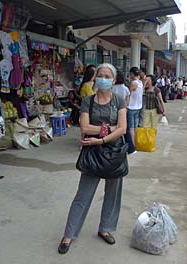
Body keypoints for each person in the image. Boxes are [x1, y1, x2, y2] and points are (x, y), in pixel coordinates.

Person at [58, 63, 127, 254]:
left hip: (114, 152)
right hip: (92, 152)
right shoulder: (88, 100)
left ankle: (106, 229)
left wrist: (101, 138)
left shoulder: (119, 100)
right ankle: (69, 234)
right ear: (95, 78)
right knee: (83, 194)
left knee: (113, 194)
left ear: (113, 80)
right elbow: (84, 127)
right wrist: (109, 129)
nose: (103, 78)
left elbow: (123, 128)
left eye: (107, 76)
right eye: (100, 75)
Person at [127, 67, 143, 146]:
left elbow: (128, 93)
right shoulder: (140, 82)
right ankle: (136, 143)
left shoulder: (133, 83)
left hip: (131, 107)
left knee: (131, 128)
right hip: (138, 107)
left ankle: (132, 144)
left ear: (132, 74)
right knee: (135, 126)